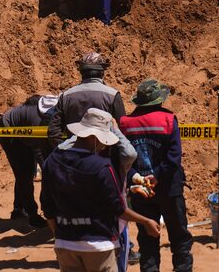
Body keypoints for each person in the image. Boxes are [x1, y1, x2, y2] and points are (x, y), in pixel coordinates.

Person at [41, 108, 160, 272]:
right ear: (93, 137)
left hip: (65, 244)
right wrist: (146, 221)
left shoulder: (52, 161)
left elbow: (47, 206)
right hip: (98, 245)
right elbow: (117, 208)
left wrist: (59, 235)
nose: (104, 145)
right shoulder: (102, 167)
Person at [120, 79, 193, 272]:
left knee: (147, 240)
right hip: (169, 188)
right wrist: (157, 175)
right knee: (179, 238)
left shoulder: (125, 123)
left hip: (141, 189)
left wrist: (137, 176)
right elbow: (174, 156)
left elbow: (122, 158)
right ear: (159, 100)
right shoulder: (168, 120)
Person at [0, 94, 59, 228]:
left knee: (27, 171)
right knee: (24, 173)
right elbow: (39, 152)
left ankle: (18, 209)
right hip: (8, 130)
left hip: (25, 131)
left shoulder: (57, 115)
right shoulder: (38, 122)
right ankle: (32, 215)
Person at [48, 52, 126, 147]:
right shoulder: (112, 95)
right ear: (102, 73)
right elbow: (123, 129)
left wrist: (64, 151)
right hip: (103, 156)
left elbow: (53, 131)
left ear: (81, 72)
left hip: (75, 155)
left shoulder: (66, 96)